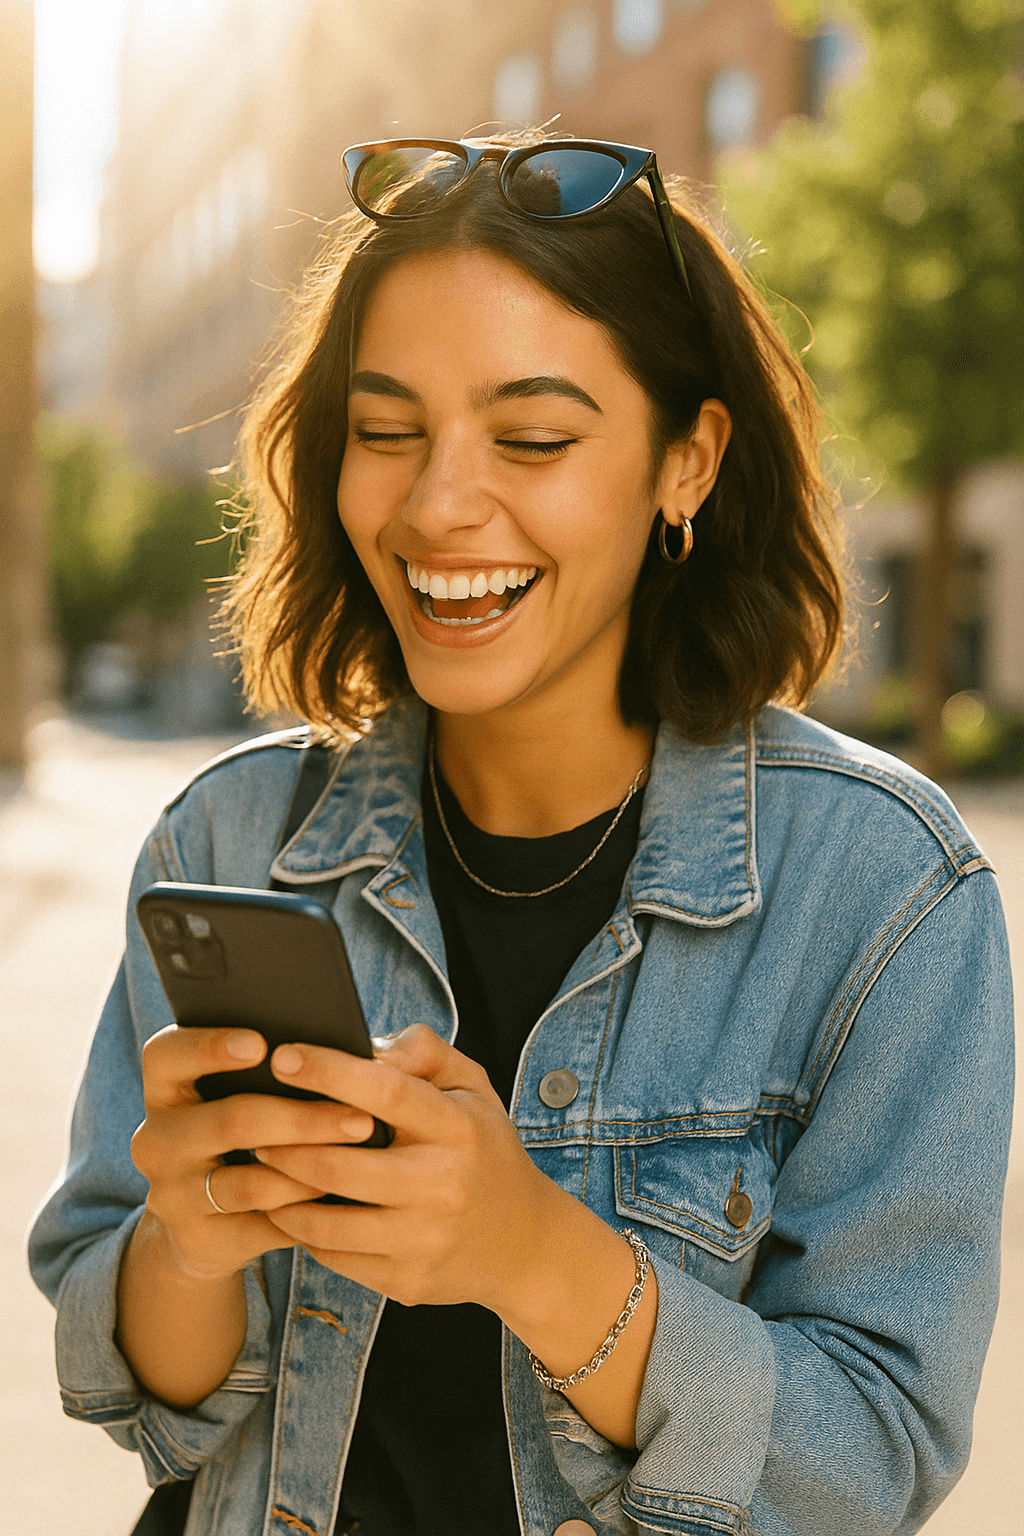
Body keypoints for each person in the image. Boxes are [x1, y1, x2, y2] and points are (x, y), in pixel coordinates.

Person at [29, 133, 1013, 1536]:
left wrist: (531, 1256)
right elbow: (152, 1411)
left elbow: (870, 1458)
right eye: (385, 431)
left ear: (688, 463)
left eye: (534, 439)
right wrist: (188, 1243)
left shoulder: (887, 894)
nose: (437, 505)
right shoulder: (225, 837)